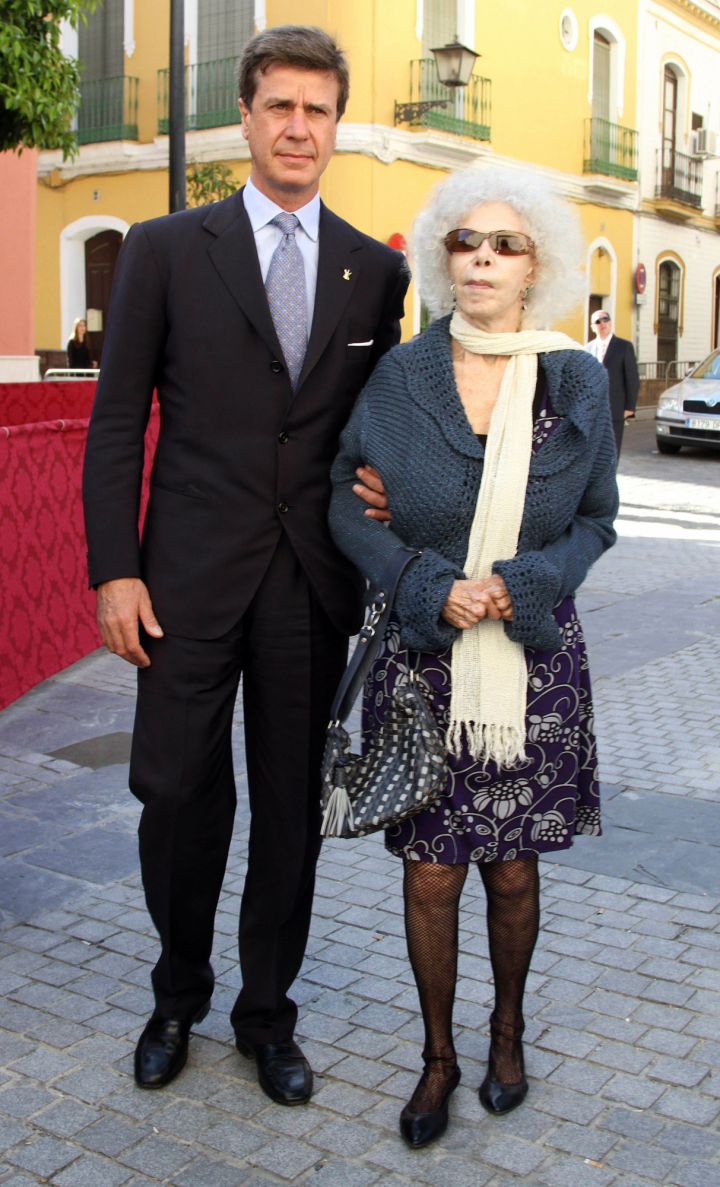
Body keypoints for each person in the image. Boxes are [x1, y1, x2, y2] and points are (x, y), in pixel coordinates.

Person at [82, 25, 409, 1106]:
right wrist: (113, 568)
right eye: (281, 105)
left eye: (318, 108)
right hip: (179, 577)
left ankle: (266, 1013)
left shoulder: (377, 269)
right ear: (248, 117)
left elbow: (378, 429)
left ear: (336, 121)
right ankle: (177, 991)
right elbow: (118, 420)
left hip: (309, 582)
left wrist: (393, 491)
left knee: (285, 805)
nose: (299, 126)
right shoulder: (169, 248)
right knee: (174, 790)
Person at [330, 166, 618, 1147]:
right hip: (423, 662)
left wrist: (522, 582)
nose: (483, 257)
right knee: (431, 875)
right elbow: (343, 494)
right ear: (441, 258)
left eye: (504, 243)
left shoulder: (575, 378)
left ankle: (507, 1031)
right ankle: (438, 1057)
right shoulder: (404, 375)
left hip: (531, 667)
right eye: (466, 242)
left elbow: (595, 520)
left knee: (512, 873)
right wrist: (423, 583)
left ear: (537, 264)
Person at [586, 309, 639, 457]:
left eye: (605, 319)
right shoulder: (587, 349)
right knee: (593, 451)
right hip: (592, 410)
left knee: (611, 451)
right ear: (592, 327)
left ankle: (609, 479)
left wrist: (629, 407)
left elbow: (632, 378)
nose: (602, 323)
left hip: (615, 408)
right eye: (598, 321)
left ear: (610, 322)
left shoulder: (624, 347)